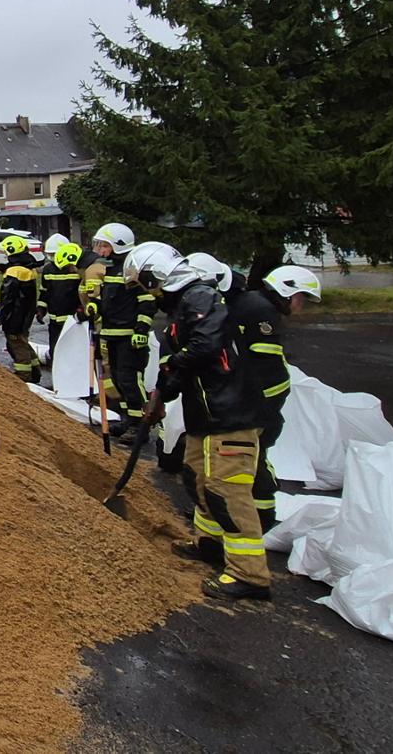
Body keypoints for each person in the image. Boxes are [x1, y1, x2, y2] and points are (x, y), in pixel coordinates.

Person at [127, 243, 270, 601]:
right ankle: (210, 544)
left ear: (155, 277)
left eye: (144, 285)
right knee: (197, 479)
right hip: (206, 417)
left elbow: (205, 347)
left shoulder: (201, 296)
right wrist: (161, 395)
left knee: (226, 493)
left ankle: (250, 575)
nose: (148, 294)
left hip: (230, 415)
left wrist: (171, 367)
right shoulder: (183, 309)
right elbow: (186, 365)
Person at [230, 265, 323, 532]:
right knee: (255, 456)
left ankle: (258, 513)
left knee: (250, 457)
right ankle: (263, 516)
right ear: (287, 291)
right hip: (261, 402)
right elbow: (266, 364)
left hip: (251, 399)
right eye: (301, 297)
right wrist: (259, 405)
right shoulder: (263, 312)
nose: (301, 305)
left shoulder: (253, 303)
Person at [89, 223, 153, 429]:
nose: (100, 250)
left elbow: (147, 302)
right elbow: (110, 300)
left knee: (129, 379)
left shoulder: (133, 270)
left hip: (129, 336)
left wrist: (141, 330)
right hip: (112, 333)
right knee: (117, 378)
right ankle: (128, 419)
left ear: (118, 245)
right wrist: (95, 305)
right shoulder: (111, 269)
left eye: (104, 245)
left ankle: (140, 424)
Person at [0, 235, 43, 383]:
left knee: (16, 344)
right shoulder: (28, 268)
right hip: (25, 314)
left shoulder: (14, 272)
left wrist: (3, 316)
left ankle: (24, 375)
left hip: (15, 315)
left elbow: (8, 297)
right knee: (23, 341)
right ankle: (35, 370)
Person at [39, 243, 87, 370]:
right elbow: (44, 292)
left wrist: (82, 309)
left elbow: (84, 294)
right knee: (55, 350)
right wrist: (41, 309)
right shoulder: (48, 270)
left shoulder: (78, 269)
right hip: (54, 321)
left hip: (74, 321)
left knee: (74, 351)